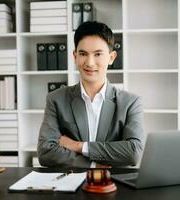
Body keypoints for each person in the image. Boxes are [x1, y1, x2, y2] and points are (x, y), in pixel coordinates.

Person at [37, 21, 145, 168]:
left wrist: (78, 146)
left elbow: (133, 152)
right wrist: (93, 165)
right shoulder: (56, 99)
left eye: (98, 54)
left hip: (114, 185)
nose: (90, 62)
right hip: (70, 183)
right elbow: (45, 153)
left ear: (111, 57)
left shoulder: (131, 102)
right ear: (75, 56)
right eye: (83, 54)